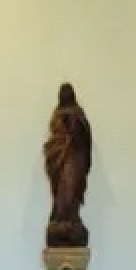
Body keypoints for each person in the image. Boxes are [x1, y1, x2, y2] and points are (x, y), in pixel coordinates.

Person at [44, 83, 92, 247]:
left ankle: (71, 219)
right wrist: (58, 145)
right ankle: (61, 219)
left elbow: (84, 138)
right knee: (62, 191)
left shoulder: (78, 114)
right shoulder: (56, 114)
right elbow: (54, 136)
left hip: (74, 159)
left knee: (71, 189)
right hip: (60, 160)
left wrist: (74, 129)